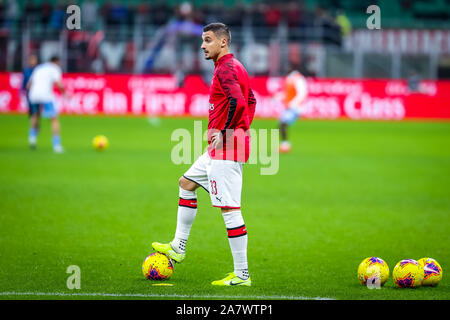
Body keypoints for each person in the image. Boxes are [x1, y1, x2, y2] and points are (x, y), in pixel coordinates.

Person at [152, 22, 257, 286]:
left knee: (230, 211)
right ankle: (178, 246)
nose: (202, 45)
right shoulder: (236, 67)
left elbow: (240, 102)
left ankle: (242, 275)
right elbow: (252, 100)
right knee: (186, 183)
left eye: (208, 40)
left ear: (223, 42)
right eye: (202, 40)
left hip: (227, 147)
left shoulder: (226, 69)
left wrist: (227, 132)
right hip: (220, 147)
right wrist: (240, 129)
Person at [27, 56, 67, 153]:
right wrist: (65, 93)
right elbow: (58, 83)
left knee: (35, 116)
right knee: (54, 119)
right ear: (56, 62)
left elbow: (28, 84)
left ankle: (32, 139)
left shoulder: (39, 67)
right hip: (46, 95)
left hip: (33, 94)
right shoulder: (55, 68)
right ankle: (56, 146)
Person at [277, 65, 308, 153]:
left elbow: (302, 92)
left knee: (282, 123)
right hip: (290, 106)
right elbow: (288, 93)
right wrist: (278, 97)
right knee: (282, 124)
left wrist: (294, 103)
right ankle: (285, 144)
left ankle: (285, 145)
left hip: (295, 107)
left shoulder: (298, 79)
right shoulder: (290, 78)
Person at [22, 54, 38, 118]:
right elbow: (24, 81)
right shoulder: (26, 70)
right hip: (29, 92)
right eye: (31, 60)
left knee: (36, 109)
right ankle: (33, 124)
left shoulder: (38, 70)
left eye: (34, 60)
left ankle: (35, 123)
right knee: (31, 108)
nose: (32, 61)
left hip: (37, 91)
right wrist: (22, 90)